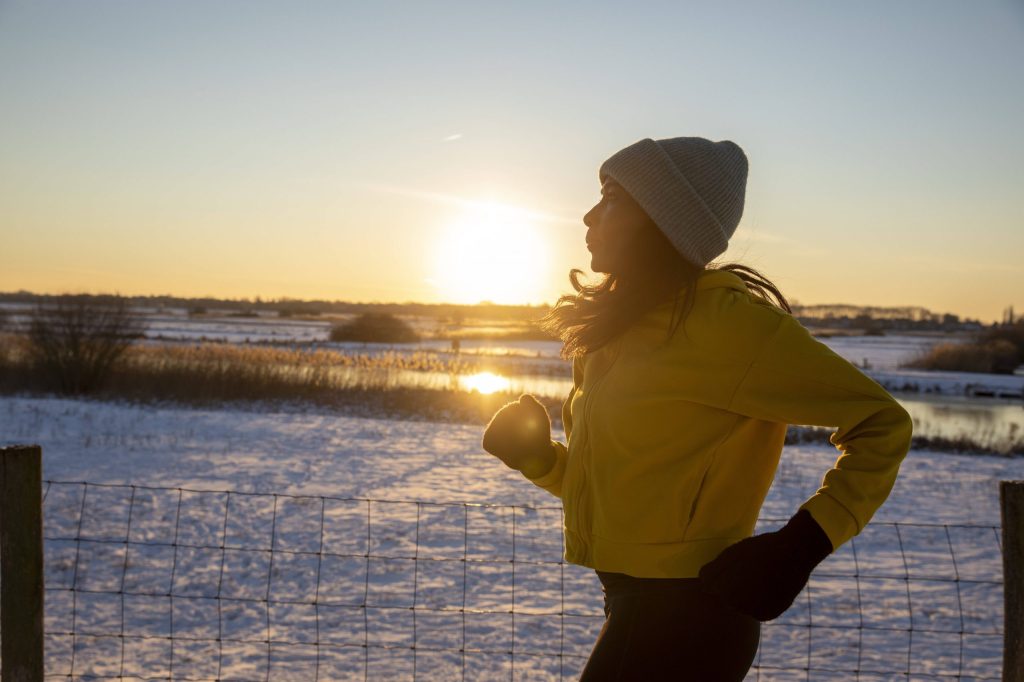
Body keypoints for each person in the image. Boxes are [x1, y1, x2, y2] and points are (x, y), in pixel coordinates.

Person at [481, 136, 914, 681]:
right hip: (630, 605)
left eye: (612, 197)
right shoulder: (615, 333)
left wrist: (803, 544)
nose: (589, 214)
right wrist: (541, 460)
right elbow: (631, 488)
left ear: (661, 218)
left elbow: (884, 422)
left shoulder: (727, 326)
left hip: (694, 614)